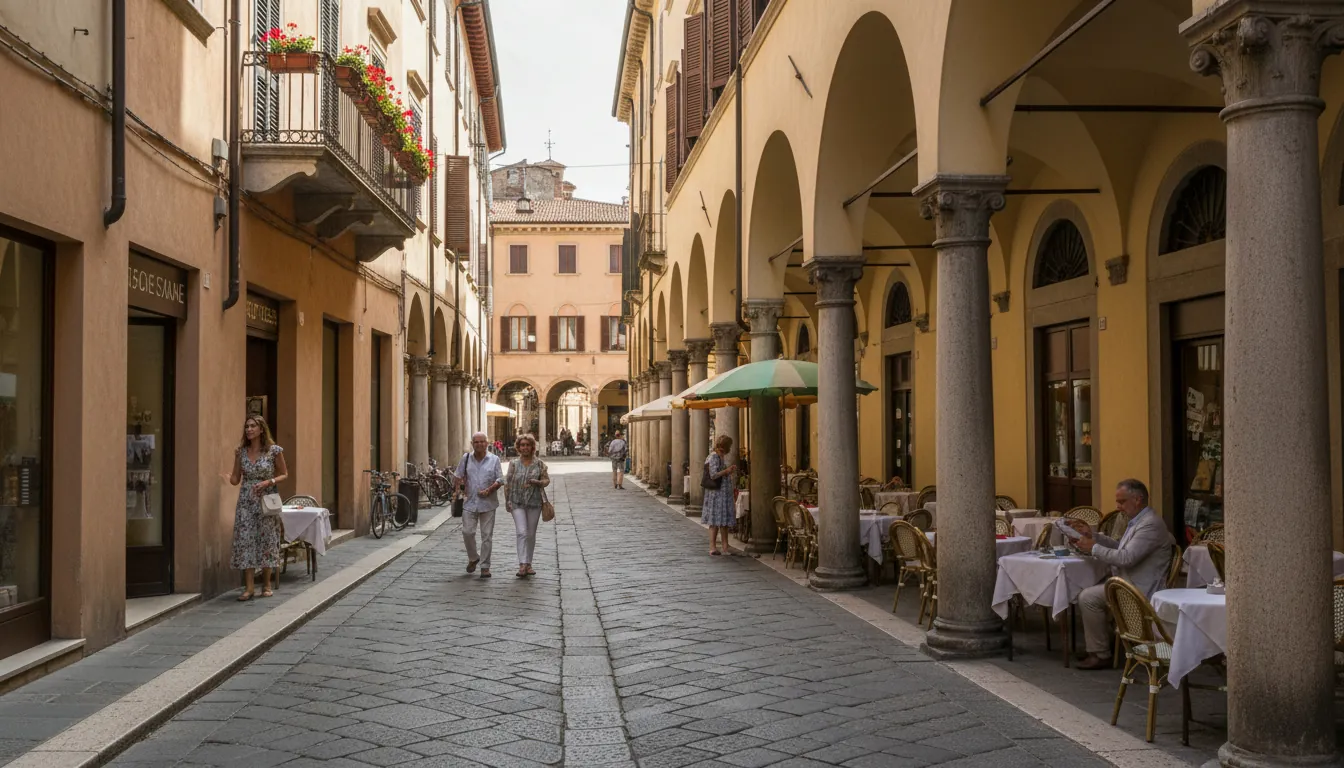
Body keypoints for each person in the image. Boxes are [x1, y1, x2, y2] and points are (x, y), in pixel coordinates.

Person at [1068, 479, 1176, 669]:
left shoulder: (1150, 524)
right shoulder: (1138, 520)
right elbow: (1121, 547)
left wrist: (1093, 547)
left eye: (1122, 501)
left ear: (1138, 499)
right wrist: (1094, 536)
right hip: (1127, 583)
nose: (1118, 507)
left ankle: (1100, 653)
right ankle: (1100, 646)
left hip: (1140, 589)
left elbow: (1126, 558)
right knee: (1088, 593)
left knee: (1088, 597)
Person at [227, 415, 288, 601]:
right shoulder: (241, 452)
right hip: (246, 501)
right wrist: (230, 473)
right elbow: (236, 479)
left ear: (261, 429)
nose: (249, 429)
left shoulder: (273, 451)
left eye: (253, 426)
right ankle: (249, 587)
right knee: (246, 541)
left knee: (267, 539)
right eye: (247, 426)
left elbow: (284, 474)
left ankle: (267, 584)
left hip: (266, 500)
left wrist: (268, 481)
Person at [455, 432, 503, 578]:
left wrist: (489, 490)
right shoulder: (466, 458)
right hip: (469, 502)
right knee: (467, 532)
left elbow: (500, 479)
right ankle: (473, 557)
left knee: (487, 535)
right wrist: (459, 490)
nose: (479, 444)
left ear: (487, 443)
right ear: (472, 444)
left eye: (482, 442)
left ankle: (485, 566)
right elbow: (458, 476)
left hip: (488, 503)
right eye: (476, 442)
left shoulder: (494, 459)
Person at [504, 433, 550, 579]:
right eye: (522, 445)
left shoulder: (539, 464)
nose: (525, 448)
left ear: (532, 447)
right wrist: (507, 501)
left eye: (527, 445)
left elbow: (546, 480)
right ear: (518, 447)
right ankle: (522, 564)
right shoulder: (513, 464)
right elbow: (508, 482)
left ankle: (529, 563)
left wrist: (538, 482)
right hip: (517, 501)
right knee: (522, 532)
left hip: (534, 502)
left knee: (531, 534)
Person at [700, 435, 739, 556]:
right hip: (716, 494)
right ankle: (712, 547)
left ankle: (725, 546)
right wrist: (727, 471)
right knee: (715, 521)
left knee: (723, 521)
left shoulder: (720, 456)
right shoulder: (714, 456)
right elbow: (713, 475)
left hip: (723, 494)